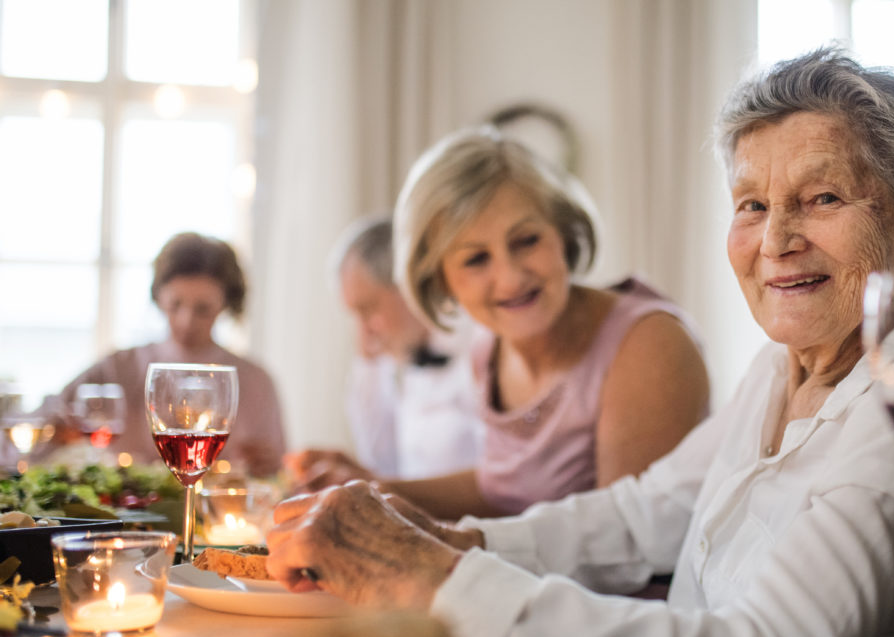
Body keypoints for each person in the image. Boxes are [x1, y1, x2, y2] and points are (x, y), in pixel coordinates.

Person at [264, 49, 894, 637]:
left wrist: (436, 577)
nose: (774, 242)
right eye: (752, 204)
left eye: (822, 197)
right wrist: (458, 541)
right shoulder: (780, 371)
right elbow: (640, 512)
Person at [289, 128, 712, 520]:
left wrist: (436, 549)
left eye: (526, 240)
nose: (510, 277)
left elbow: (622, 549)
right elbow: (503, 489)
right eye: (476, 259)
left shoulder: (647, 346)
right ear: (439, 281)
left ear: (563, 233)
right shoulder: (490, 346)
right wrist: (372, 488)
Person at [41, 233, 286, 477]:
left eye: (203, 309)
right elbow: (45, 420)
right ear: (158, 298)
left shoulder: (254, 381)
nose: (186, 321)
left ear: (226, 304)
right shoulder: (119, 367)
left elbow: (278, 469)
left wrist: (270, 466)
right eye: (175, 305)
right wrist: (55, 430)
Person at [289, 215, 482, 480]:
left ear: (408, 284)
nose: (364, 331)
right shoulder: (402, 356)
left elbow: (503, 483)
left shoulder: (479, 347)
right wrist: (347, 468)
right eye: (355, 316)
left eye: (368, 309)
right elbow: (384, 464)